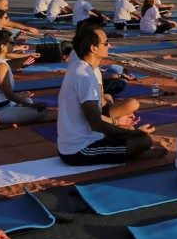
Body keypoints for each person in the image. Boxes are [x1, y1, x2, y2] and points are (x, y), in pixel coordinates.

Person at [57, 29, 164, 165]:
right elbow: (96, 123)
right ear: (93, 48)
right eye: (106, 43)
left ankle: (129, 149)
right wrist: (136, 134)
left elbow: (96, 112)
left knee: (129, 129)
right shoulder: (85, 77)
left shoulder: (79, 67)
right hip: (79, 150)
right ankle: (133, 154)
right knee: (144, 140)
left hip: (79, 142)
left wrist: (118, 123)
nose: (110, 46)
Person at [0, 30, 46, 126]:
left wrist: (20, 95)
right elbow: (9, 95)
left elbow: (1, 91)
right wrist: (32, 105)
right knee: (41, 112)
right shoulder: (1, 65)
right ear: (2, 47)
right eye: (12, 43)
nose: (14, 45)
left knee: (26, 100)